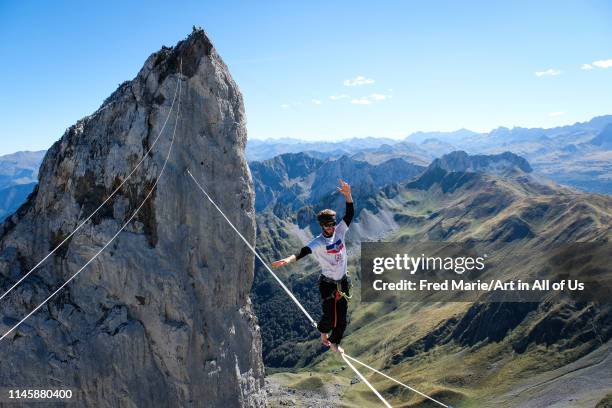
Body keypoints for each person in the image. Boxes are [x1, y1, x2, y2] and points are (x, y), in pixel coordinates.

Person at [272, 179, 354, 354]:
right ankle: (323, 333)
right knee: (329, 317)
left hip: (343, 281)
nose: (331, 228)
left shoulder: (340, 231)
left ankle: (334, 343)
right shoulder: (319, 241)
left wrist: (348, 195)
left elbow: (349, 215)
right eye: (327, 225)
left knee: (342, 319)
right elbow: (305, 250)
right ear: (322, 226)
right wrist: (289, 259)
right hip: (328, 284)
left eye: (332, 224)